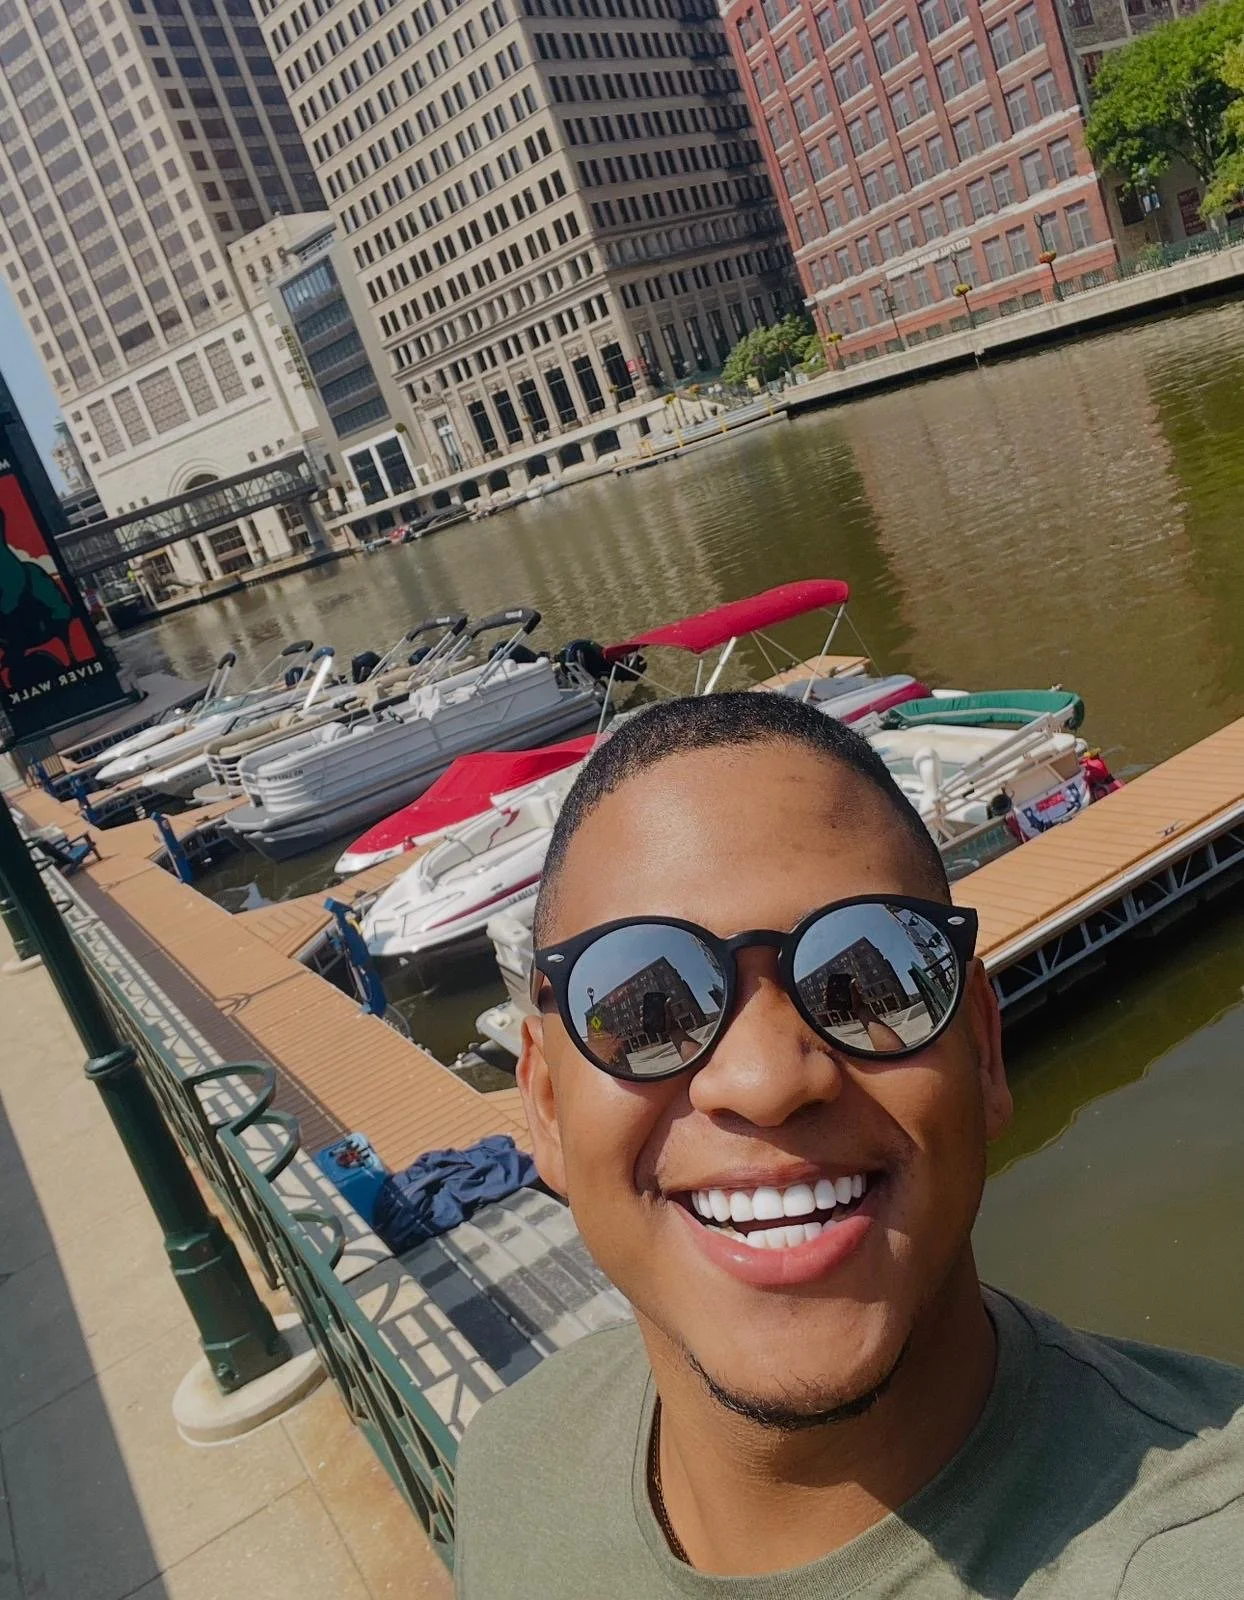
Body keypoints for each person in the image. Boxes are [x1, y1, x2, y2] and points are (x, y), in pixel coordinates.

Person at [454, 692, 1244, 1597]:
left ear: (983, 1052)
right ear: (548, 1108)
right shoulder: (511, 1471)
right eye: (640, 1010)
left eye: (867, 976)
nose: (765, 1081)